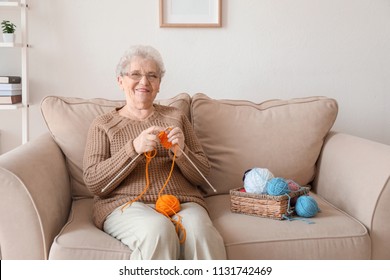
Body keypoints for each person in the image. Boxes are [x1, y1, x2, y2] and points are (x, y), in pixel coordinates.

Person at [83, 45, 226, 260]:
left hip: (182, 202)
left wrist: (181, 152)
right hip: (126, 205)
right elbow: (94, 182)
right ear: (120, 81)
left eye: (152, 76)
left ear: (159, 85)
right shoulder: (103, 124)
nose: (144, 82)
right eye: (135, 74)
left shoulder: (176, 117)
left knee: (201, 233)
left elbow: (204, 176)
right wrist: (133, 150)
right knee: (158, 230)